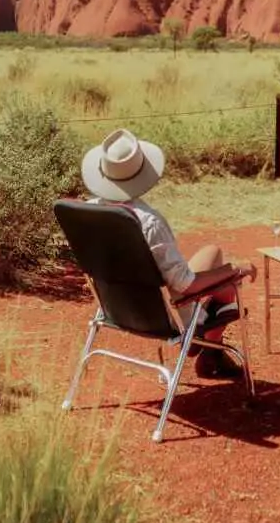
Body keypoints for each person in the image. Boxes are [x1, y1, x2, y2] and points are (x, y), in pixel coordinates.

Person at [81, 128, 257, 379]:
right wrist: (238, 269)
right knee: (231, 280)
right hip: (167, 314)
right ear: (142, 173)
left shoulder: (88, 213)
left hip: (117, 306)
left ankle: (210, 351)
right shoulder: (148, 221)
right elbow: (185, 284)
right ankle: (209, 350)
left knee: (212, 252)